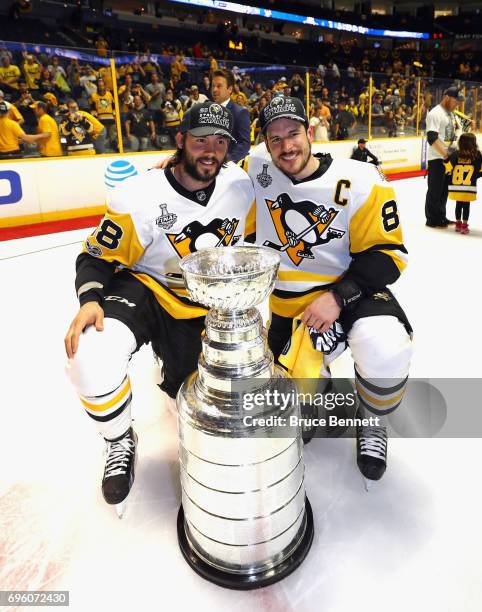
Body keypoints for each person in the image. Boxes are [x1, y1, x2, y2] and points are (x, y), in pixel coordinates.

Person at [64, 102, 254, 513]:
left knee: (194, 409)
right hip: (148, 288)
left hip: (206, 304)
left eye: (220, 141)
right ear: (180, 139)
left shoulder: (241, 186)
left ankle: (174, 365)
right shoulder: (140, 194)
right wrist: (90, 299)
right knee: (90, 357)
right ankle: (119, 439)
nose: (210, 150)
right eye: (201, 139)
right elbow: (96, 254)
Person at [242, 96, 412, 486]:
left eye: (293, 133)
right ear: (266, 144)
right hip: (291, 308)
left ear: (311, 131)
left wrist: (338, 297)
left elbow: (390, 256)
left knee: (385, 347)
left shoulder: (361, 178)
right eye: (275, 138)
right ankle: (314, 379)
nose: (287, 147)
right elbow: (210, 175)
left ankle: (372, 420)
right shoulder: (254, 169)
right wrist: (171, 164)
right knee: (292, 416)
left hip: (352, 292)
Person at [424, 87, 464, 228]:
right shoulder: (435, 113)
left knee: (444, 190)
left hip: (448, 158)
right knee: (435, 190)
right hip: (437, 158)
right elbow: (432, 137)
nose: (457, 104)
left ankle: (441, 216)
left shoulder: (451, 114)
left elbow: (457, 129)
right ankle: (432, 219)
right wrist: (446, 155)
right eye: (456, 101)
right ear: (447, 97)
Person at [444, 132, 482, 235]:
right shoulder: (477, 155)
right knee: (466, 205)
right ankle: (464, 225)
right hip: (469, 188)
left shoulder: (456, 154)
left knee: (458, 204)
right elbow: (480, 171)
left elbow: (448, 168)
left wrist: (446, 159)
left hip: (455, 186)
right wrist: (474, 177)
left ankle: (458, 223)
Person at [211, 68, 250, 162]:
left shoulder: (240, 112)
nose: (214, 90)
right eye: (213, 86)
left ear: (230, 89)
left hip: (227, 169)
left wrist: (225, 162)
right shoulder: (207, 110)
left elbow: (244, 144)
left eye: (219, 86)